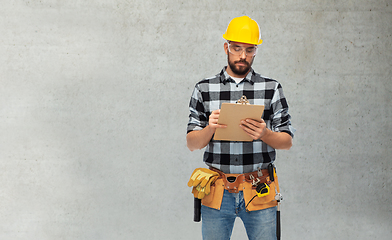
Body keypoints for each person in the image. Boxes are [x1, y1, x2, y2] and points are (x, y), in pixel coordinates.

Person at [186, 16, 295, 240]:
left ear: (256, 50)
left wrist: (265, 134)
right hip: (216, 190)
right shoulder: (204, 88)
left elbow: (287, 141)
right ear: (226, 47)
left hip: (259, 189)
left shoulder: (271, 88)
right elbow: (191, 143)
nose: (242, 56)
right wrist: (209, 128)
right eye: (236, 48)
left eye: (249, 49)